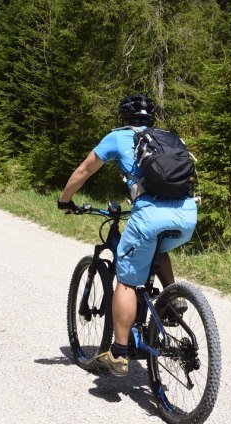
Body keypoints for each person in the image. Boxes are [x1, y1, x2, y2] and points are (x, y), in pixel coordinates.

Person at [57, 94, 197, 376]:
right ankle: (174, 300)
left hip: (149, 216)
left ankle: (119, 354)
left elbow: (84, 170)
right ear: (150, 119)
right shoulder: (170, 137)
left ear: (123, 118)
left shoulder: (117, 137)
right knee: (157, 249)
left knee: (127, 279)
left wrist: (65, 199)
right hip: (187, 215)